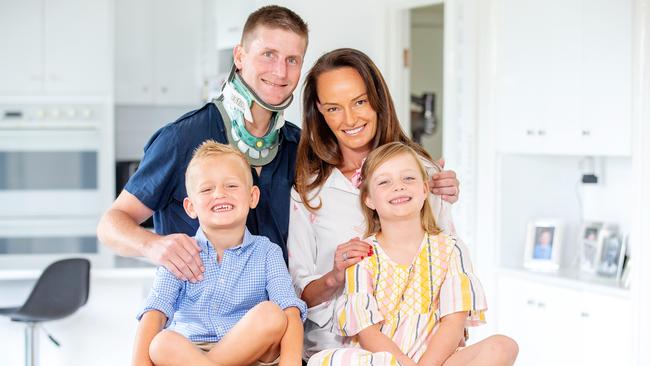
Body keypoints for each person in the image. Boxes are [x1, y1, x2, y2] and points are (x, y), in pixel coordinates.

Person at [96, 6, 459, 282]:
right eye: (268, 54)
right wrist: (154, 246)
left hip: (274, 334)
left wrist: (424, 181)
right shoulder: (183, 138)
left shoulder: (297, 147)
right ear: (239, 57)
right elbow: (112, 224)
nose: (280, 71)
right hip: (197, 329)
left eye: (292, 60)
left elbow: (360, 188)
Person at [288, 48, 460, 359]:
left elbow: (453, 274)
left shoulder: (426, 176)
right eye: (333, 108)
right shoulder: (310, 193)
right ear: (319, 111)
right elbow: (298, 294)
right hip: (339, 352)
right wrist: (335, 276)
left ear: (377, 99)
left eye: (359, 102)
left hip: (424, 353)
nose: (350, 119)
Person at [307, 142, 518, 366]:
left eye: (408, 178)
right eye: (384, 182)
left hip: (436, 359)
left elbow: (453, 323)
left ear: (425, 189)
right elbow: (367, 332)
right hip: (382, 359)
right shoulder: (363, 255)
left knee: (503, 346)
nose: (398, 187)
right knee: (330, 360)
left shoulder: (450, 249)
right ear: (369, 199)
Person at [132, 141, 307, 366]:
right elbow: (153, 314)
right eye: (206, 189)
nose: (219, 194)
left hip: (250, 352)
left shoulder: (267, 252)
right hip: (189, 354)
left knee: (273, 314)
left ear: (253, 197)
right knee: (161, 343)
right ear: (190, 207)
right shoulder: (180, 253)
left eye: (231, 186)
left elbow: (290, 311)